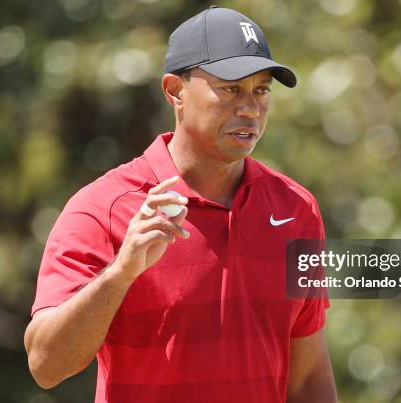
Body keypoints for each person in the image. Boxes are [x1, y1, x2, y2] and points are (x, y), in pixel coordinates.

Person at [25, 6, 337, 403]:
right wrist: (121, 273)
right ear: (175, 91)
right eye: (230, 88)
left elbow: (309, 377)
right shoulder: (102, 208)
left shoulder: (297, 209)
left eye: (261, 90)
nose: (250, 108)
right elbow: (46, 366)